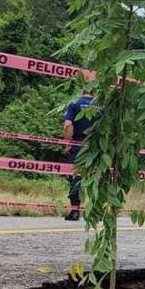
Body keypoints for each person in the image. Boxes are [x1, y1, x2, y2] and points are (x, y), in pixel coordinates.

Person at [62, 91, 95, 221]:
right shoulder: (101, 105)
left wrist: (67, 144)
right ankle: (96, 212)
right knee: (96, 176)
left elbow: (68, 125)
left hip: (78, 144)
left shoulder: (74, 103)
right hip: (96, 145)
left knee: (76, 177)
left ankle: (75, 211)